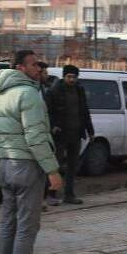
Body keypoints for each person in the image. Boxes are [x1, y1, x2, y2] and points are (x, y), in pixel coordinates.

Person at [0, 50, 63, 254]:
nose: (38, 68)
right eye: (33, 64)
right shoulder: (29, 94)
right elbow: (36, 136)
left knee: (8, 225)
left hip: (5, 164)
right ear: (20, 68)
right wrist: (52, 170)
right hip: (27, 166)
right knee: (27, 228)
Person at [44, 64, 95, 205]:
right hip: (60, 134)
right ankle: (51, 194)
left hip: (76, 133)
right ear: (64, 76)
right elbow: (48, 112)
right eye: (69, 77)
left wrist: (90, 131)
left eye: (74, 77)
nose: (72, 80)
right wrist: (53, 126)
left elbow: (84, 111)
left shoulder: (79, 90)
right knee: (56, 165)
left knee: (73, 166)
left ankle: (69, 194)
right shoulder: (54, 91)